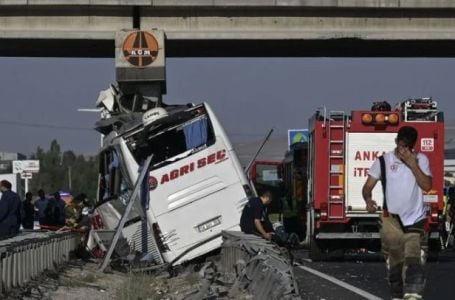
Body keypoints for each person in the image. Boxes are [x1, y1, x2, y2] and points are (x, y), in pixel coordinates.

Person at [362, 126, 432, 300]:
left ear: (412, 146)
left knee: (413, 259)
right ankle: (397, 294)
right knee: (396, 263)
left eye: (406, 147)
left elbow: (427, 186)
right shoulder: (383, 162)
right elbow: (367, 187)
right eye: (400, 146)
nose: (402, 150)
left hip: (415, 219)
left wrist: (413, 165)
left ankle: (413, 294)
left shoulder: (420, 160)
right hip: (391, 221)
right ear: (396, 142)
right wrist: (368, 200)